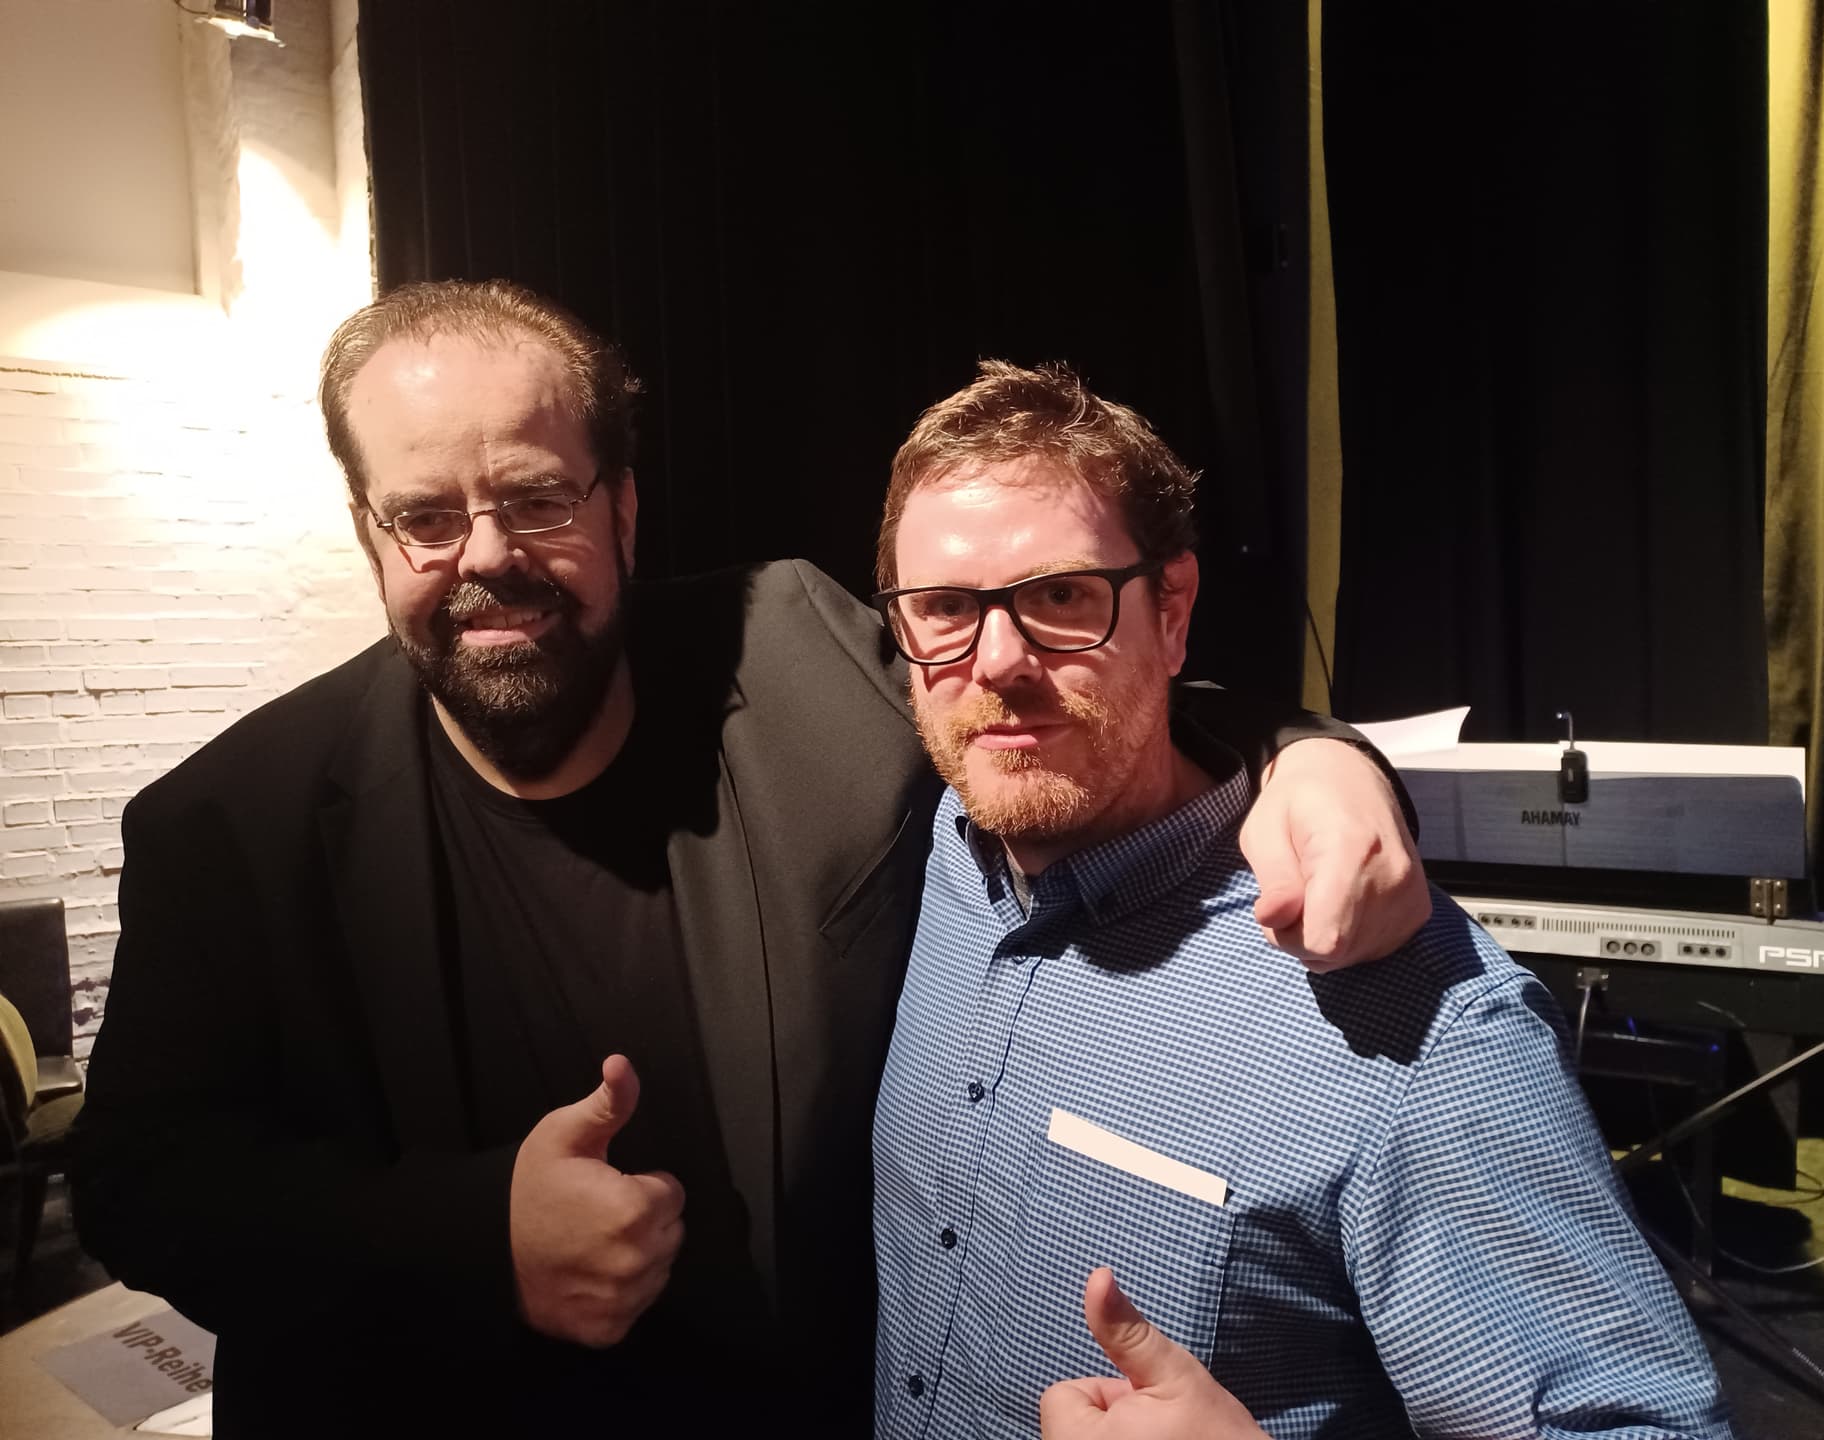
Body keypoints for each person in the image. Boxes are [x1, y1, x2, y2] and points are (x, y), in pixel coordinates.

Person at [68, 282, 1430, 1435]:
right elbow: (140, 1187)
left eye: (537, 498)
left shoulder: (793, 651)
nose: (487, 557)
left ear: (623, 509)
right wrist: (475, 1238)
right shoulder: (229, 823)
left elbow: (1037, 686)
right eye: (426, 515)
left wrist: (1308, 754)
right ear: (371, 528)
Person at [868, 362, 1732, 1438]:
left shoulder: (1422, 1023)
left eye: (1061, 597)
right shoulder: (936, 851)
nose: (997, 661)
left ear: (1171, 612)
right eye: (945, 608)